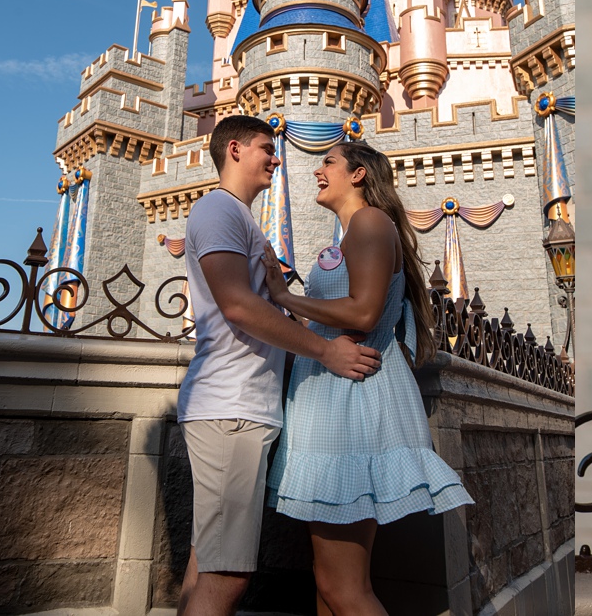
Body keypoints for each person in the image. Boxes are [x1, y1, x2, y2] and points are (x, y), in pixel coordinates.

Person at [176, 115, 380, 616]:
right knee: (227, 575)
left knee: (207, 563)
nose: (276, 156)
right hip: (231, 408)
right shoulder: (218, 211)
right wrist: (327, 350)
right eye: (266, 148)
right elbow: (239, 306)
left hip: (238, 406)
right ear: (235, 150)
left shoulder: (239, 219)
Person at [261, 141, 472, 616]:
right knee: (327, 581)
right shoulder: (352, 231)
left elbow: (364, 311)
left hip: (351, 406)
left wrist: (283, 296)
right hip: (332, 404)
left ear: (358, 175)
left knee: (343, 587)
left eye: (328, 162)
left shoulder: (371, 222)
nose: (318, 171)